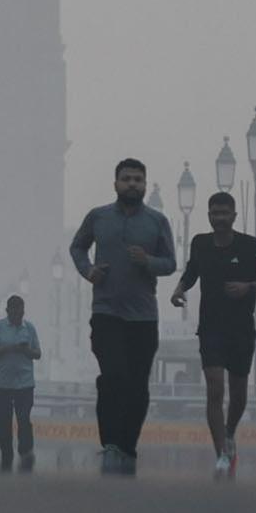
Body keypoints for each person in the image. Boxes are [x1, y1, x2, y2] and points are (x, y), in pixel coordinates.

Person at [70, 157, 177, 476]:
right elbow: (77, 248)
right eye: (127, 179)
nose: (133, 184)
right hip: (106, 313)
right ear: (115, 183)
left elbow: (171, 263)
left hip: (143, 317)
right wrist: (88, 271)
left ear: (144, 185)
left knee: (137, 384)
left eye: (138, 180)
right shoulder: (98, 217)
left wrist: (148, 261)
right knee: (113, 376)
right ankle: (112, 442)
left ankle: (128, 445)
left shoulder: (157, 222)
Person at [171, 191, 256, 478]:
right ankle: (221, 453)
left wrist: (248, 287)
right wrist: (180, 288)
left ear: (233, 216)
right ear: (208, 216)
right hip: (211, 328)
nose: (219, 219)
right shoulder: (200, 243)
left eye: (224, 213)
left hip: (241, 328)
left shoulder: (251, 246)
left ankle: (230, 432)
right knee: (215, 388)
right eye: (214, 213)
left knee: (239, 393)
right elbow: (192, 270)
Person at [0, 294, 43, 472]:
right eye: (15, 312)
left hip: (24, 383)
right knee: (2, 421)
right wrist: (7, 348)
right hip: (2, 384)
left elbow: (38, 354)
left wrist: (26, 351)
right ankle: (6, 453)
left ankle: (25, 453)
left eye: (21, 312)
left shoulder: (30, 328)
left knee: (24, 419)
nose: (19, 316)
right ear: (8, 311)